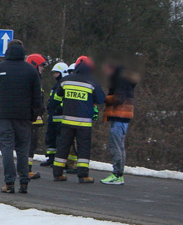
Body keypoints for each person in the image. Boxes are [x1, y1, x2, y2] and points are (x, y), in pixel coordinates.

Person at [0, 40, 42, 194]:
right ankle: (24, 182)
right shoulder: (31, 70)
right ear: (23, 51)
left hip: (3, 115)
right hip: (24, 116)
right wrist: (33, 115)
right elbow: (37, 97)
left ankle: (9, 183)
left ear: (7, 51)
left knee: (7, 148)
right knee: (23, 149)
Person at [52, 55, 106, 184]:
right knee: (83, 148)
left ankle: (57, 173)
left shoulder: (66, 80)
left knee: (63, 147)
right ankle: (83, 175)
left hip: (67, 121)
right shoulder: (92, 82)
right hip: (84, 123)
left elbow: (57, 97)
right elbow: (101, 99)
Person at [100, 63, 140, 185]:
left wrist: (104, 98)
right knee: (119, 146)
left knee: (115, 145)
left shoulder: (120, 79)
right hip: (124, 117)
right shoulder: (126, 79)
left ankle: (117, 174)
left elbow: (118, 98)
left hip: (118, 115)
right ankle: (118, 173)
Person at [40, 62, 69, 167]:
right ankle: (51, 158)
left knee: (60, 140)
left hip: (60, 118)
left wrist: (59, 108)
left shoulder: (64, 85)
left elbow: (65, 100)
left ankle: (59, 160)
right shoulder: (56, 86)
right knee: (50, 138)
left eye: (56, 73)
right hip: (53, 117)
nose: (54, 75)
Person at [25, 54, 47, 180]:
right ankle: (26, 170)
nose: (43, 69)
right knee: (30, 144)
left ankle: (27, 169)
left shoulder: (34, 79)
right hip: (30, 118)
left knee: (31, 144)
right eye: (41, 66)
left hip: (33, 117)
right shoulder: (33, 79)